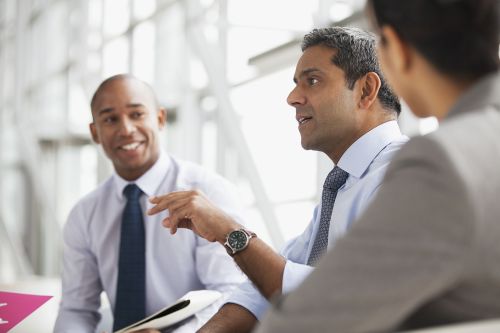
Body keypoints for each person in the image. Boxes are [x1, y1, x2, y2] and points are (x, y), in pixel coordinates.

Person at [255, 0, 500, 332]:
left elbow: (308, 320)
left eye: (380, 42)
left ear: (396, 48)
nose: (292, 98)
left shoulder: (440, 163)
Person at [147, 27, 407, 333]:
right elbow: (263, 290)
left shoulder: (403, 178)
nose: (292, 98)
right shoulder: (341, 185)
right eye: (296, 84)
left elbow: (335, 298)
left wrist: (229, 231)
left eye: (312, 81)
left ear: (365, 90)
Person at [54, 74, 247, 333]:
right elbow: (77, 309)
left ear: (160, 119)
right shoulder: (84, 214)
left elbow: (230, 293)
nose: (126, 129)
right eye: (110, 119)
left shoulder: (209, 191)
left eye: (136, 114)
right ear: (95, 132)